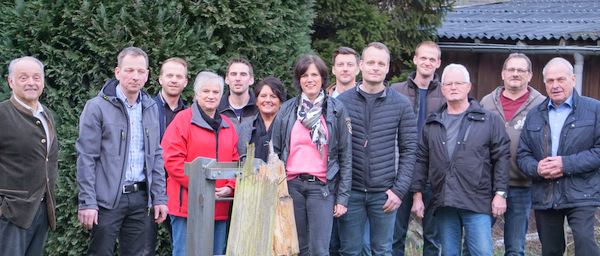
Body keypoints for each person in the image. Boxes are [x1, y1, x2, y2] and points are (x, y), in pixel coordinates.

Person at [76, 47, 169, 255]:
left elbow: (155, 155)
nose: (134, 76)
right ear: (117, 72)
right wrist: (87, 201)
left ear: (147, 75)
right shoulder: (97, 107)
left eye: (140, 71)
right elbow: (87, 158)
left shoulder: (150, 107)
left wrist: (160, 197)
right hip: (107, 200)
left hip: (140, 199)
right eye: (129, 70)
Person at [410, 63, 510, 256]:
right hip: (444, 200)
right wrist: (417, 195)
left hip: (477, 201)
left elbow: (502, 157)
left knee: (481, 252)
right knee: (449, 253)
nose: (453, 88)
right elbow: (421, 160)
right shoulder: (432, 122)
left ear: (468, 87)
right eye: (448, 84)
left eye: (458, 83)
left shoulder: (489, 120)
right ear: (442, 89)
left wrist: (501, 193)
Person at [337, 42, 418, 256]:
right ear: (361, 65)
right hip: (351, 192)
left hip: (385, 194)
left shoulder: (401, 104)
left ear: (388, 68)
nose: (375, 67)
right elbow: (333, 149)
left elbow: (410, 150)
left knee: (382, 250)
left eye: (381, 63)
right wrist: (339, 190)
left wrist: (399, 191)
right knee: (350, 251)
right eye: (371, 62)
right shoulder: (342, 102)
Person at [517, 57, 600, 256]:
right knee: (551, 250)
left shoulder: (594, 109)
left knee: (585, 244)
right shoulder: (534, 114)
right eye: (550, 81)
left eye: (560, 79)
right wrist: (536, 168)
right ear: (544, 83)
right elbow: (523, 154)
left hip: (581, 192)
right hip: (546, 193)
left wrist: (566, 164)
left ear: (573, 79)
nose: (555, 86)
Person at [272, 54, 352, 256]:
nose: (310, 79)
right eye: (304, 75)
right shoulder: (288, 110)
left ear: (323, 78)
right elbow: (275, 151)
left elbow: (345, 154)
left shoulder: (336, 110)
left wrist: (342, 197)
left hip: (322, 187)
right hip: (292, 186)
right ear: (299, 79)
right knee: (295, 248)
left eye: (314, 75)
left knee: (319, 250)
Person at [161, 71, 238, 256]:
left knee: (216, 253)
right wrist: (201, 186)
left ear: (221, 96)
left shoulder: (228, 126)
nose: (211, 96)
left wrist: (230, 187)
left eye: (215, 92)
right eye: (205, 91)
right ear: (196, 94)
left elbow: (236, 164)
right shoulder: (182, 121)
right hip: (186, 206)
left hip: (219, 206)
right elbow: (172, 160)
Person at [480, 53, 545, 256]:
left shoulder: (541, 104)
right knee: (476, 244)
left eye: (521, 70)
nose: (515, 74)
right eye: (511, 70)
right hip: (487, 185)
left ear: (530, 75)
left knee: (515, 248)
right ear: (503, 74)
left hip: (522, 185)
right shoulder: (487, 102)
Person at [0, 56, 59, 255]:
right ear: (11, 81)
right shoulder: (2, 114)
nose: (31, 82)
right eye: (23, 77)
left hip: (41, 210)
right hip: (10, 214)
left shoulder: (46, 115)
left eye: (36, 77)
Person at [390, 40, 444, 256]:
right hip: (400, 173)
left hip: (434, 175)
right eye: (423, 58)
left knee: (432, 237)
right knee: (395, 235)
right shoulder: (395, 91)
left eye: (432, 59)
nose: (427, 62)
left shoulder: (446, 93)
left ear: (438, 63)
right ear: (415, 60)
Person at [144, 57, 189, 255]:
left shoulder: (191, 114)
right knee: (143, 248)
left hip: (179, 189)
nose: (174, 80)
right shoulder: (145, 108)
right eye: (169, 75)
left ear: (185, 82)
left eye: (179, 76)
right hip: (148, 189)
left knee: (182, 245)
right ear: (160, 79)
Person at [237, 76, 286, 161]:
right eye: (263, 96)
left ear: (281, 102)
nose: (267, 100)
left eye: (273, 96)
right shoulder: (244, 128)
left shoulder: (288, 127)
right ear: (256, 101)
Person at [217, 57, 258, 128]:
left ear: (251, 80)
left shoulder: (260, 108)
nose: (238, 79)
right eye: (233, 74)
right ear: (227, 79)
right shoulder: (216, 109)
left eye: (243, 74)